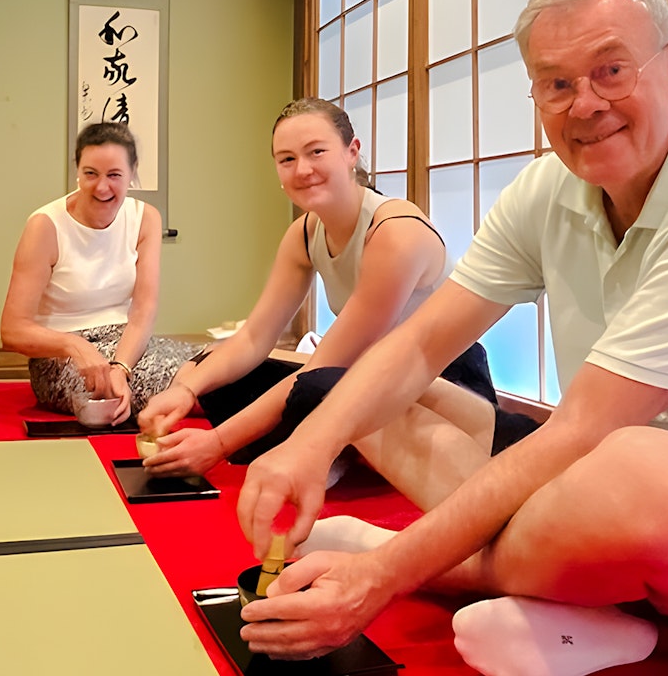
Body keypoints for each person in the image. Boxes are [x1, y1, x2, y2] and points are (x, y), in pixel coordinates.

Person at [235, 0, 668, 675]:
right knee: (373, 396)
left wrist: (384, 567)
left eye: (611, 70)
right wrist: (311, 443)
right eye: (556, 83)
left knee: (645, 468)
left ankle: (454, 572)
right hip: (588, 489)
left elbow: (588, 427)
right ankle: (606, 623)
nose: (584, 104)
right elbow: (424, 342)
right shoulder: (550, 187)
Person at [139, 98, 506, 478]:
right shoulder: (305, 233)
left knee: (320, 385)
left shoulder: (396, 232)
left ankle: (343, 452)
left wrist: (218, 443)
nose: (303, 170)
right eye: (287, 159)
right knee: (218, 373)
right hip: (365, 374)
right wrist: (186, 389)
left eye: (316, 152)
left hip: (443, 382)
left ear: (352, 152)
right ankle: (347, 451)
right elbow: (253, 339)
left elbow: (330, 364)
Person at [0, 122, 204, 424]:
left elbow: (144, 309)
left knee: (218, 366)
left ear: (132, 173)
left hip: (128, 345)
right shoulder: (45, 225)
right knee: (201, 392)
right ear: (77, 171)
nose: (102, 187)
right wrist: (74, 345)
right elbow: (12, 330)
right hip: (61, 358)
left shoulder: (145, 217)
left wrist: (121, 366)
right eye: (91, 174)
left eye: (115, 175)